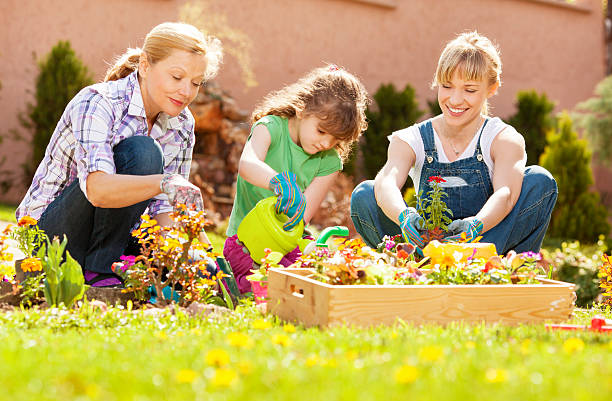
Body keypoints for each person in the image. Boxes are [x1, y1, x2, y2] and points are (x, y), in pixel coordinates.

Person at [16, 22, 223, 287]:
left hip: (113, 238)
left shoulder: (182, 124)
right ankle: (100, 272)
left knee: (200, 269)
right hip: (52, 234)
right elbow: (97, 189)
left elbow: (164, 210)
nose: (186, 92)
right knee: (144, 152)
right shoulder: (98, 101)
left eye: (196, 83)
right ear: (146, 66)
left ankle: (109, 268)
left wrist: (197, 255)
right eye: (176, 77)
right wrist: (164, 182)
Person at [350, 31, 557, 255]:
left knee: (539, 181)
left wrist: (475, 226)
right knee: (365, 194)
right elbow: (386, 181)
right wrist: (404, 216)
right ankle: (417, 264)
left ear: (492, 88)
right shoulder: (412, 139)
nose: (455, 100)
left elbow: (505, 194)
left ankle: (493, 264)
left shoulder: (503, 138)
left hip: (485, 242)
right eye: (447, 86)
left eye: (469, 90)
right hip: (423, 246)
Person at [224, 65, 369, 293]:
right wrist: (276, 181)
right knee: (265, 286)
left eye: (336, 139)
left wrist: (296, 211)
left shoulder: (329, 160)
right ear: (301, 110)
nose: (326, 144)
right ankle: (238, 287)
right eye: (322, 131)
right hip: (243, 242)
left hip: (284, 242)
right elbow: (247, 165)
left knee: (313, 277)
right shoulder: (271, 128)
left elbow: (301, 218)